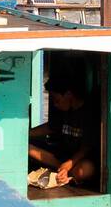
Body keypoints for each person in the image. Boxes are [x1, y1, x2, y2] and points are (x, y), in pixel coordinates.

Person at [28, 58, 99, 187]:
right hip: (61, 157)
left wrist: (69, 164)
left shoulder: (88, 113)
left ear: (68, 94)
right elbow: (50, 127)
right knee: (27, 147)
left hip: (78, 160)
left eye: (56, 100)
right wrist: (26, 134)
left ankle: (65, 174)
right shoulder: (64, 110)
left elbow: (86, 148)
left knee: (85, 169)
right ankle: (64, 174)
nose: (55, 104)